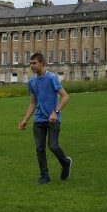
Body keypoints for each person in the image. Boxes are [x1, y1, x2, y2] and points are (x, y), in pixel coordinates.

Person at [18, 53, 72, 185]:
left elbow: (65, 97)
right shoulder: (31, 81)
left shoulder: (51, 78)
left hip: (53, 119)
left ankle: (66, 163)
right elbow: (33, 102)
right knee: (39, 149)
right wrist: (25, 119)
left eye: (34, 63)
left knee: (53, 146)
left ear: (42, 63)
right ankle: (44, 176)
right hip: (39, 120)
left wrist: (55, 112)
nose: (31, 66)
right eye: (30, 63)